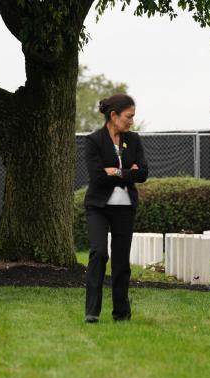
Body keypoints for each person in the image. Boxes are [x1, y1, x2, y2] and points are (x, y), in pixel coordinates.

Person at [83, 93, 148, 323]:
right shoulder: (94, 141)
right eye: (129, 116)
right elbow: (98, 178)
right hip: (98, 207)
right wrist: (127, 172)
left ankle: (121, 314)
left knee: (121, 261)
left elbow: (142, 174)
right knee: (99, 253)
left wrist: (117, 171)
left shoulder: (134, 140)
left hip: (125, 208)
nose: (131, 121)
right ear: (114, 115)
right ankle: (92, 312)